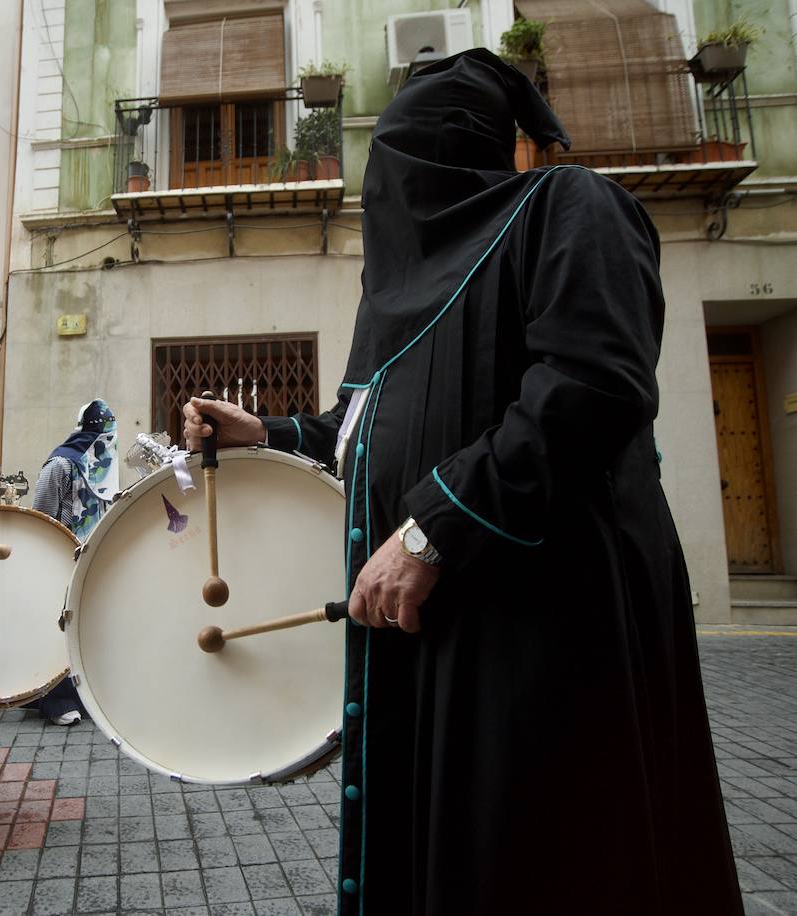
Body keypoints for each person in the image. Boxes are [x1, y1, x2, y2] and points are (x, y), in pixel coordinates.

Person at [183, 49, 741, 916]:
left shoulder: (566, 208)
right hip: (425, 642)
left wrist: (430, 529)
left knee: (535, 861)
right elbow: (367, 432)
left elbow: (593, 384)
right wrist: (273, 433)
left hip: (535, 641)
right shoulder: (390, 302)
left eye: (397, 163)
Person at [29, 399, 118, 726]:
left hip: (94, 558)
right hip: (61, 556)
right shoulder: (60, 464)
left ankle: (85, 696)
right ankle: (55, 701)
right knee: (59, 627)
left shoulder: (107, 466)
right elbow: (42, 515)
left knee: (86, 627)